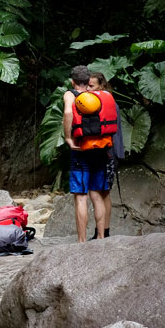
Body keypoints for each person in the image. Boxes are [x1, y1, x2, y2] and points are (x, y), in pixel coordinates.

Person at [63, 65, 109, 242]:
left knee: (81, 197)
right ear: (88, 80)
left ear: (72, 81)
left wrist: (68, 137)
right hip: (99, 148)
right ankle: (101, 237)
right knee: (97, 194)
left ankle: (82, 242)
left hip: (80, 148)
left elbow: (68, 112)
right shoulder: (99, 94)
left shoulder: (71, 94)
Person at [88, 71, 124, 239]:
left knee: (99, 193)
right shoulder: (105, 100)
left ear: (101, 85)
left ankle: (102, 233)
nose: (88, 89)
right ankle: (104, 232)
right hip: (108, 152)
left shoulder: (103, 102)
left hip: (107, 153)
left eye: (91, 86)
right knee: (103, 193)